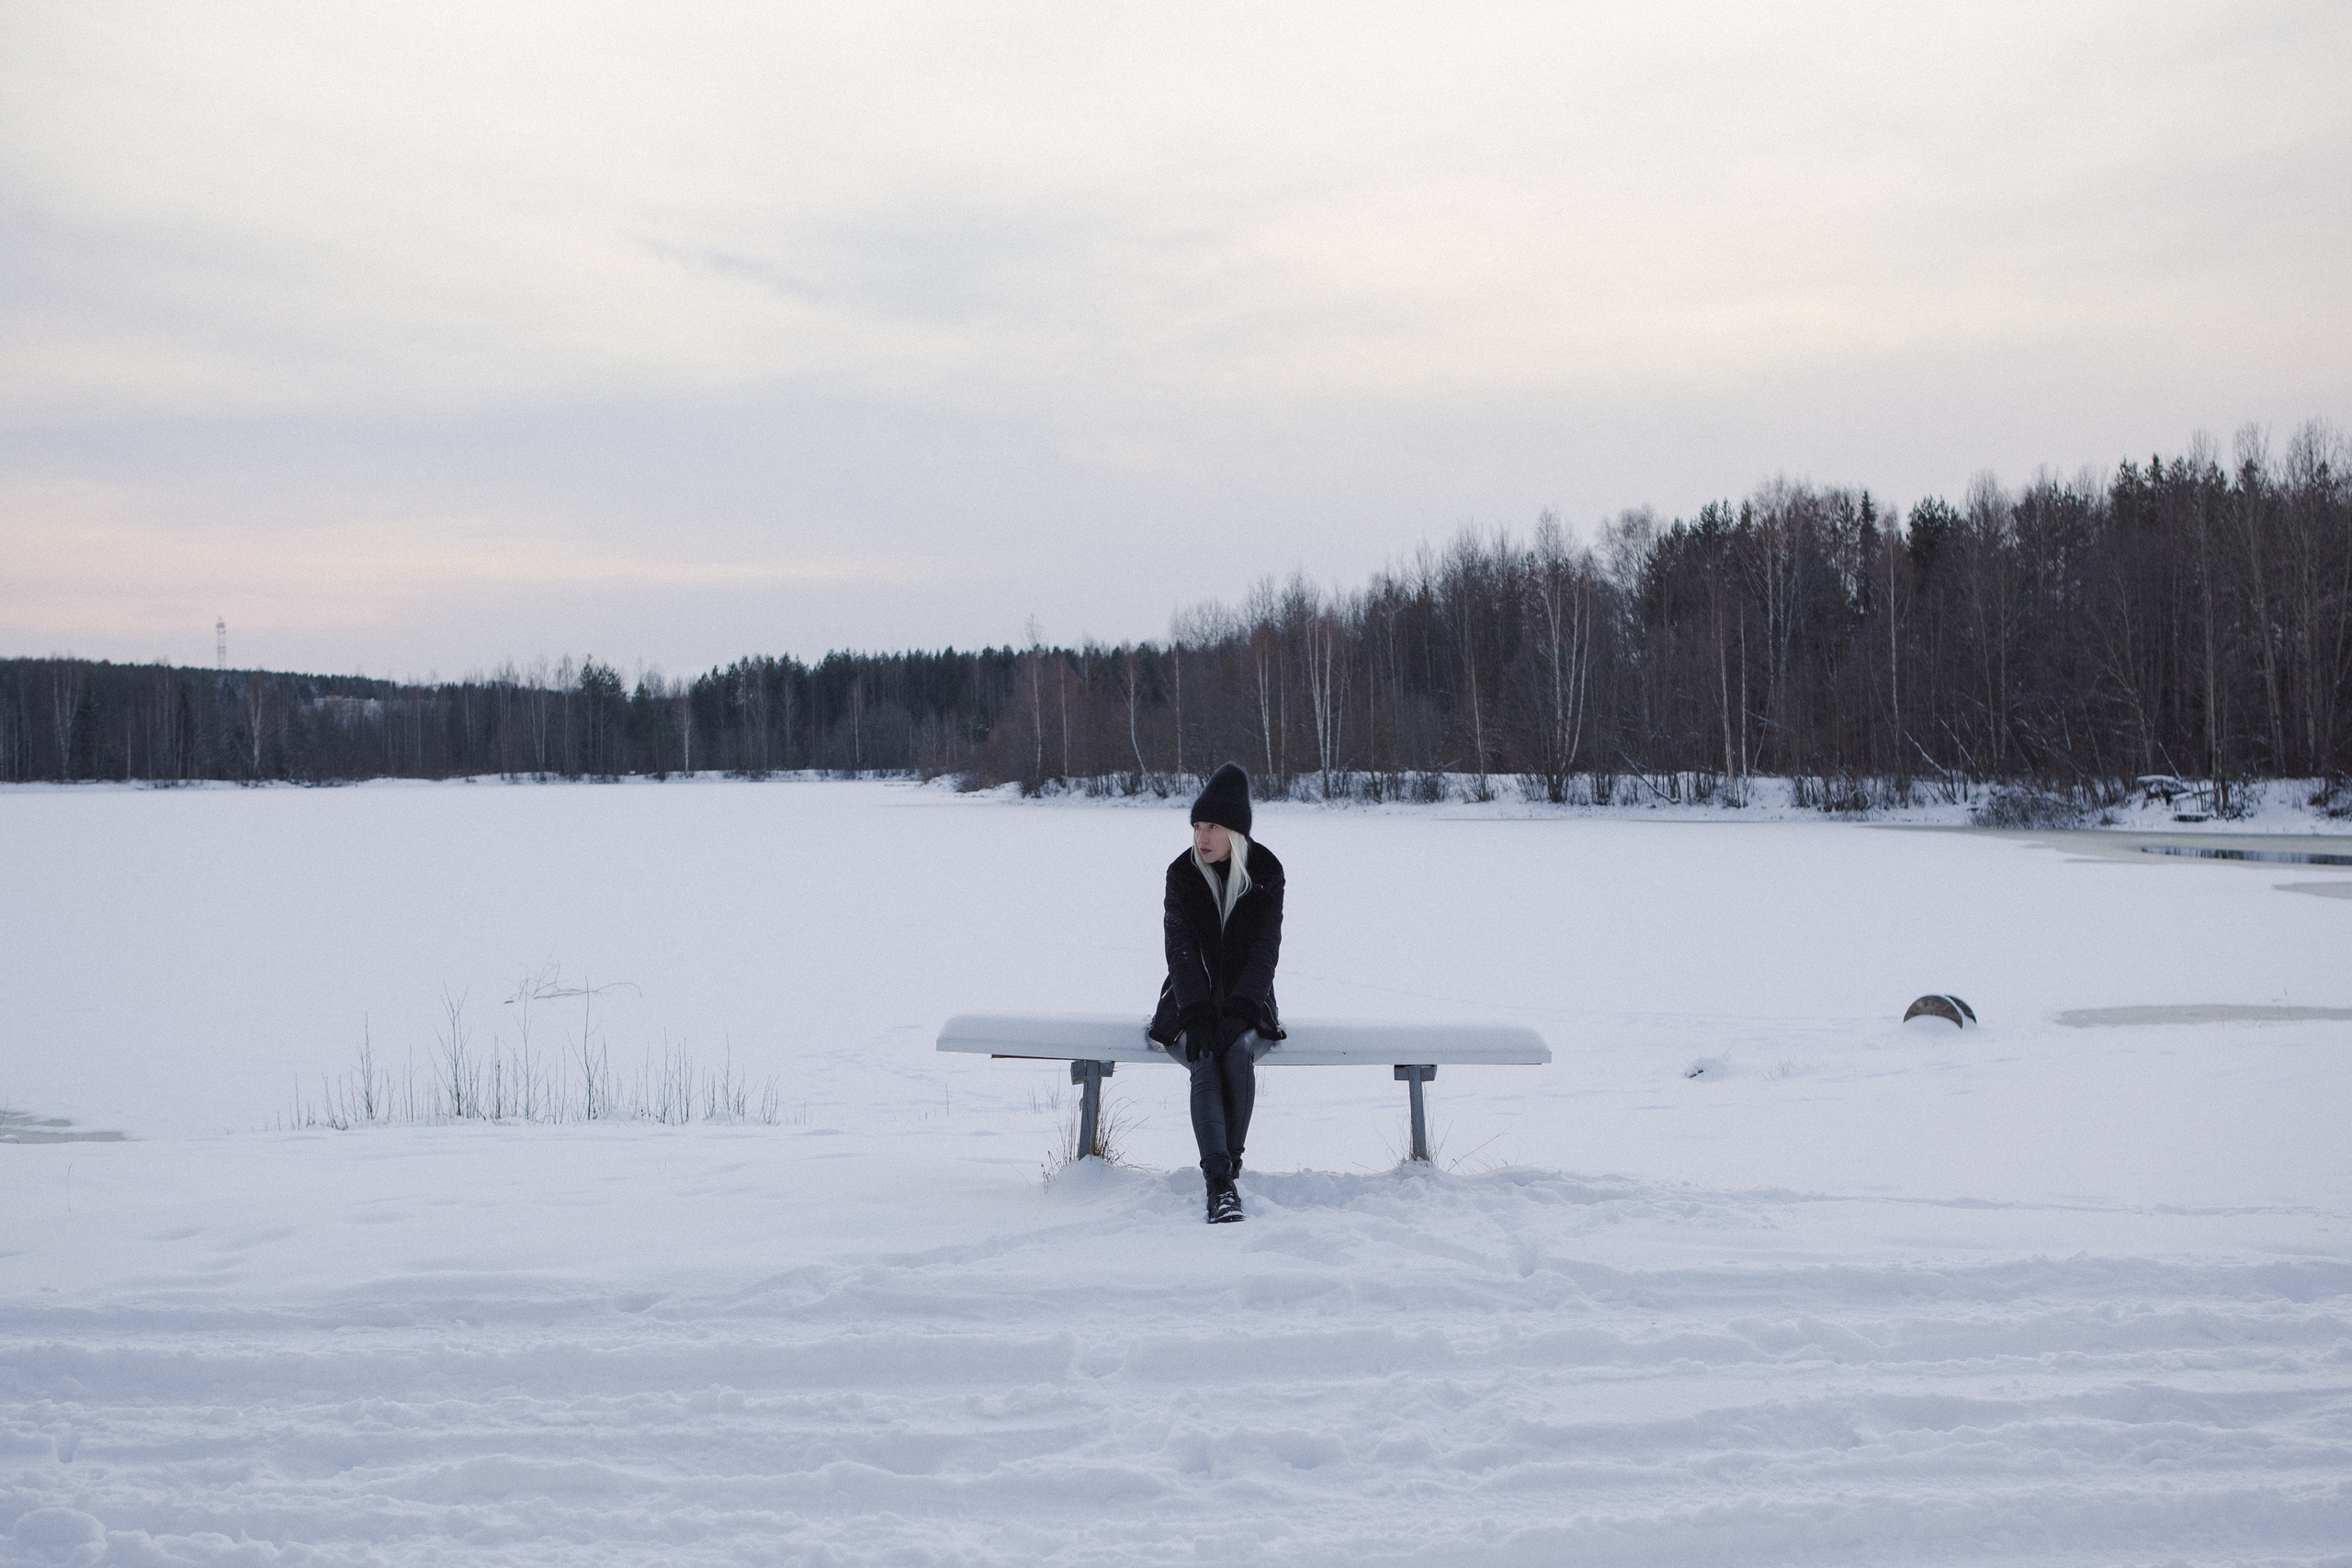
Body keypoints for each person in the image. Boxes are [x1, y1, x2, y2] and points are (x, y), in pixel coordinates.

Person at [1148, 761, 1284, 1224]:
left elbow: (1266, 949)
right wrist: (1198, 1013)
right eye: (1197, 826)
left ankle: (1231, 1165)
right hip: (1190, 1000)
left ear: (1237, 834)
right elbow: (1179, 951)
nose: (1202, 837)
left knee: (1236, 1052)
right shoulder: (1181, 874)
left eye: (1214, 827)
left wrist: (1243, 1008)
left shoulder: (1266, 871)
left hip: (1251, 996)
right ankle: (1220, 1183)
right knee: (1204, 1055)